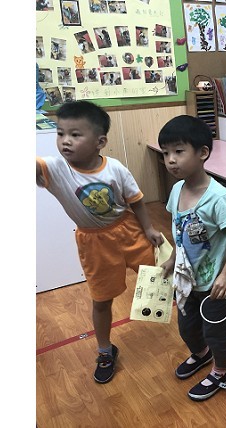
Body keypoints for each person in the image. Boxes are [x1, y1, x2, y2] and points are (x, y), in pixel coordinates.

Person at [35, 100, 164, 384]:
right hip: (94, 243)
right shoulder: (55, 169)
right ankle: (105, 350)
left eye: (75, 134)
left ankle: (175, 303)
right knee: (102, 300)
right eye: (60, 133)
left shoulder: (115, 169)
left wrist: (149, 228)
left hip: (128, 230)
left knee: (155, 273)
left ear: (100, 142)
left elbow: (136, 200)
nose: (65, 141)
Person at [157, 115, 226, 402]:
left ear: (202, 153)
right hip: (186, 280)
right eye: (166, 153)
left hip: (214, 284)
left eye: (179, 151)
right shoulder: (176, 190)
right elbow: (179, 231)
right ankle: (201, 354)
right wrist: (172, 259)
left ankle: (220, 371)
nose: (171, 160)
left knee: (217, 332)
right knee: (188, 328)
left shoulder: (217, 197)